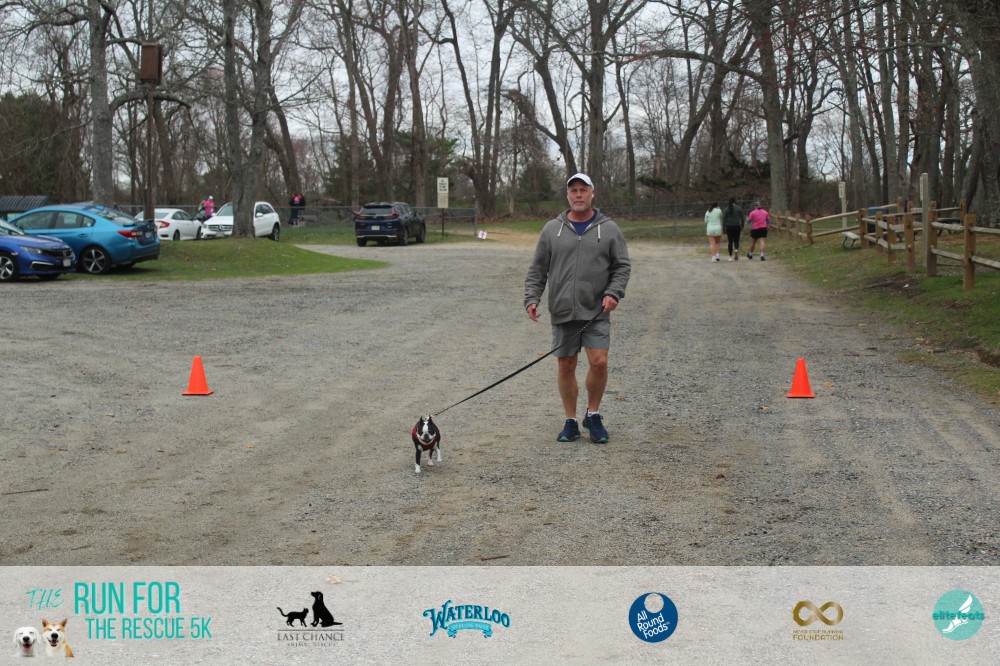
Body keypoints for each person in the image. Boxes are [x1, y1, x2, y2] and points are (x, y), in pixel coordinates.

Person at [524, 173, 631, 444]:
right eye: (574, 190)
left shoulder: (609, 229)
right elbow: (538, 269)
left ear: (592, 193)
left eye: (583, 189)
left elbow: (622, 266)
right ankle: (570, 421)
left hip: (596, 310)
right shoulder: (552, 230)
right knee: (566, 364)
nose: (579, 194)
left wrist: (613, 293)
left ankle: (593, 414)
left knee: (599, 361)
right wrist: (532, 298)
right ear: (568, 195)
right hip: (563, 309)